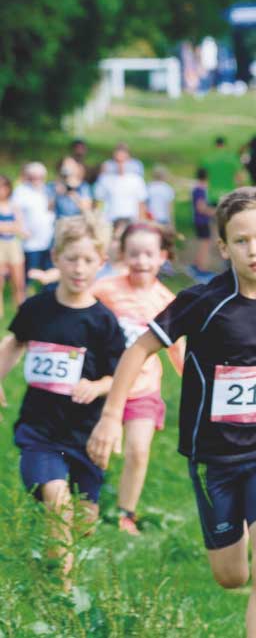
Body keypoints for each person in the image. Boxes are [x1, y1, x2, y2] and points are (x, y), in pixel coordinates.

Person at [90, 187, 256, 638]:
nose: (254, 249)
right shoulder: (203, 301)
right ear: (223, 247)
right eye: (241, 240)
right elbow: (139, 349)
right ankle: (233, 544)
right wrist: (110, 415)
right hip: (213, 458)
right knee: (232, 575)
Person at [1, 216, 126, 583]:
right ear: (55, 257)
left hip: (85, 434)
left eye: (88, 260)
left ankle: (63, 559)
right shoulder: (37, 308)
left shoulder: (103, 321)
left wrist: (99, 386)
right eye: (71, 259)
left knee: (83, 523)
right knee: (57, 501)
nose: (79, 268)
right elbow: (14, 343)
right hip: (39, 430)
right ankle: (62, 586)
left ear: (101, 261)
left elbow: (120, 374)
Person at [90, 224, 183, 536]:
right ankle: (87, 501)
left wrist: (197, 383)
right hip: (104, 385)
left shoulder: (166, 301)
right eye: (134, 254)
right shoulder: (104, 290)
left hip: (144, 389)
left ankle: (125, 513)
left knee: (138, 450)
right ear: (122, 255)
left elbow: (178, 350)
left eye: (149, 254)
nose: (141, 261)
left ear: (162, 257)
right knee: (96, 449)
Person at [14, 163, 56, 284]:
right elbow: (15, 211)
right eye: (33, 176)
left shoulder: (48, 189)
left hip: (48, 240)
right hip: (30, 243)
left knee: (49, 276)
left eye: (40, 176)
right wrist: (21, 229)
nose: (37, 179)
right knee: (28, 275)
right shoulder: (21, 191)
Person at [95, 145, 149, 224]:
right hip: (110, 221)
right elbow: (99, 201)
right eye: (117, 160)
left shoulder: (136, 180)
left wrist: (141, 222)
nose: (120, 164)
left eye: (123, 160)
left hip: (131, 221)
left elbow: (141, 203)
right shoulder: (105, 179)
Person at [0, 176, 23, 305]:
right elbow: (15, 227)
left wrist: (5, 227)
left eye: (3, 186)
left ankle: (20, 307)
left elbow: (19, 226)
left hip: (13, 244)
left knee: (18, 281)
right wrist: (11, 227)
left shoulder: (13, 205)